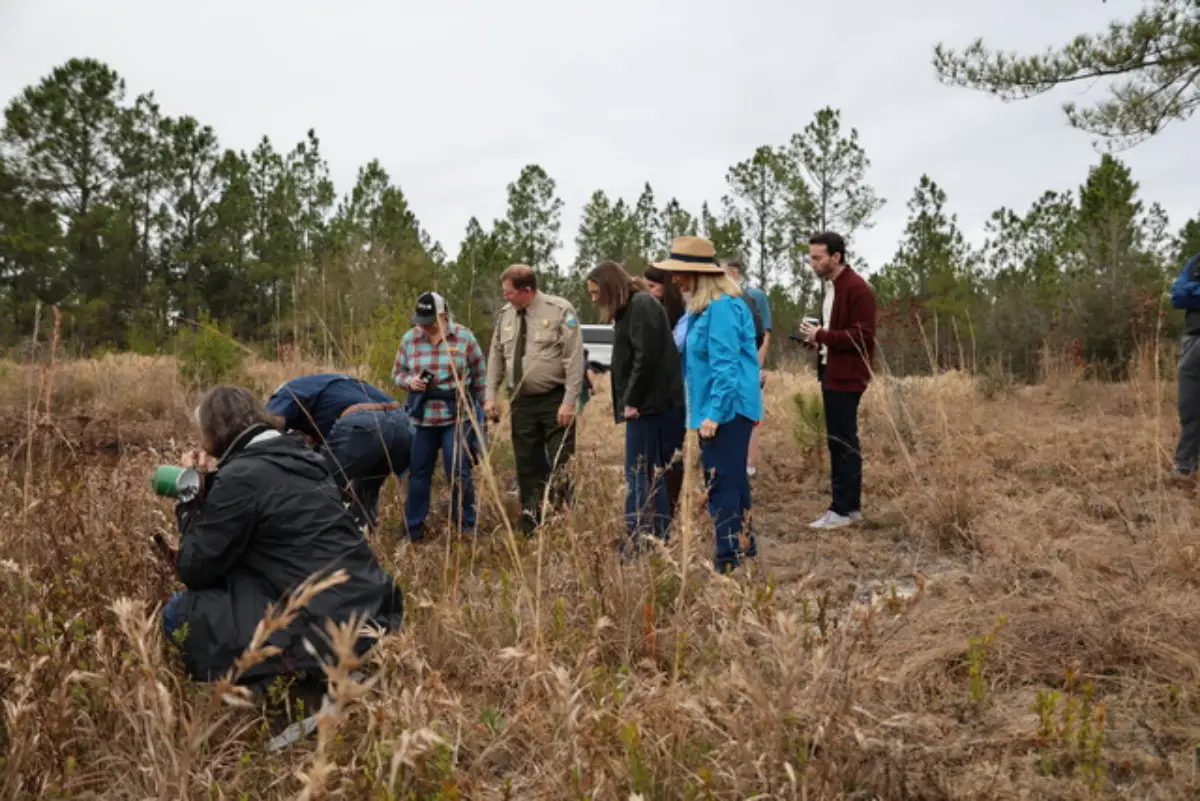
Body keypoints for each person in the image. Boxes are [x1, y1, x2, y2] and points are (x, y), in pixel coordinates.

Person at [161, 385, 404, 684]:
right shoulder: (307, 459)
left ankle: (292, 686)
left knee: (179, 611)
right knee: (241, 574)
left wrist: (189, 498)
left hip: (326, 627)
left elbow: (194, 568)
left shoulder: (239, 477)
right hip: (373, 611)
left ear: (212, 434)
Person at [654, 236, 762, 573]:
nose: (675, 280)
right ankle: (745, 544)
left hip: (728, 410)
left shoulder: (722, 309)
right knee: (732, 481)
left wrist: (714, 413)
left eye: (680, 273)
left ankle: (727, 557)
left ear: (698, 275)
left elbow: (725, 367)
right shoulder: (702, 310)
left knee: (722, 482)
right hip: (714, 408)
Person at [586, 261, 686, 553]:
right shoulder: (635, 306)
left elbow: (646, 358)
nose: (593, 299)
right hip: (653, 405)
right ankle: (659, 537)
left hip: (648, 407)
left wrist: (632, 400)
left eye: (595, 292)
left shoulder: (640, 306)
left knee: (638, 473)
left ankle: (639, 541)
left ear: (610, 286)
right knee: (652, 472)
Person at [485, 264, 585, 536]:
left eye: (509, 292)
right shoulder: (506, 316)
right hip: (522, 402)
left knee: (561, 460)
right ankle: (531, 518)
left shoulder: (559, 310)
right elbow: (496, 356)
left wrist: (569, 400)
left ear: (526, 291)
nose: (505, 297)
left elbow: (574, 358)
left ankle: (564, 519)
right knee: (526, 461)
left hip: (554, 399)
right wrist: (490, 396)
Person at [797, 231, 877, 529]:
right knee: (839, 440)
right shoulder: (832, 289)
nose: (812, 263)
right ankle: (848, 508)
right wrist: (815, 340)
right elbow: (837, 333)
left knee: (843, 441)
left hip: (847, 376)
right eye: (810, 258)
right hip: (831, 371)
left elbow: (863, 336)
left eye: (817, 258)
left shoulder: (857, 289)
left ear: (836, 257)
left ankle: (842, 510)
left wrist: (822, 335)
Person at [392, 291, 488, 541]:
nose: (424, 327)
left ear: (443, 316)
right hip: (422, 418)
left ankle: (466, 525)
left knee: (457, 470)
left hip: (456, 416)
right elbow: (397, 373)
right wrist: (410, 381)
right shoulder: (410, 339)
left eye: (429, 321)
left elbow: (480, 375)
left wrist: (485, 405)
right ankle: (413, 527)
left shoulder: (464, 338)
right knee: (419, 473)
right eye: (420, 320)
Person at [265, 373, 414, 532]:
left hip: (362, 423)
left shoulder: (286, 391)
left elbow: (271, 425)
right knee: (366, 488)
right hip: (403, 422)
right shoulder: (340, 384)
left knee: (319, 486)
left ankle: (307, 538)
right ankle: (364, 534)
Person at [643, 264, 688, 516]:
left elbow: (672, 348)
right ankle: (653, 506)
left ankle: (667, 509)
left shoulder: (683, 317)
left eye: (653, 286)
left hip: (674, 396)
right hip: (652, 396)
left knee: (670, 456)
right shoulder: (649, 313)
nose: (648, 292)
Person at [722, 258, 772, 479]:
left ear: (733, 272)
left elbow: (766, 333)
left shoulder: (754, 295)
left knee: (751, 413)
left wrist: (758, 365)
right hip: (734, 366)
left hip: (751, 364)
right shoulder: (723, 298)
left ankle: (750, 463)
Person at [1169, 250, 1200, 483]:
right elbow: (1177, 296)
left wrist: (1193, 290)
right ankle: (1185, 464)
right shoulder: (1195, 260)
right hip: (1193, 338)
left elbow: (1186, 292)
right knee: (1189, 404)